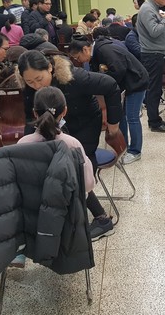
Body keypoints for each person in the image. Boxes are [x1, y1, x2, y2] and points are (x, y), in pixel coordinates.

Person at [17, 50, 121, 240]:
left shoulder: (74, 77)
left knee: (77, 169)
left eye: (39, 79)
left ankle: (100, 219)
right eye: (30, 82)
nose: (36, 86)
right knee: (55, 169)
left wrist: (113, 123)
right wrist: (29, 147)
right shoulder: (29, 88)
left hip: (85, 123)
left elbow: (111, 85)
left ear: (50, 68)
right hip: (57, 126)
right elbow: (30, 117)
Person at [69, 36, 148, 164]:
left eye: (78, 57)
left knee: (132, 117)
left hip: (136, 82)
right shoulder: (97, 53)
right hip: (125, 85)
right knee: (121, 116)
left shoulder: (104, 50)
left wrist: (104, 82)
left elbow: (118, 70)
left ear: (85, 49)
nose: (78, 61)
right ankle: (123, 146)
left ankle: (135, 151)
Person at [136, 0, 165, 133]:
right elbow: (154, 31)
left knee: (156, 88)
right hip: (151, 54)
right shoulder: (147, 9)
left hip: (155, 53)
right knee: (154, 89)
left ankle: (155, 119)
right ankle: (154, 123)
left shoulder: (153, 8)